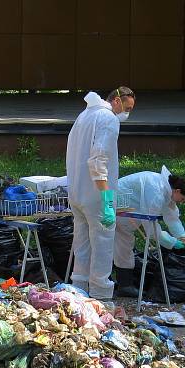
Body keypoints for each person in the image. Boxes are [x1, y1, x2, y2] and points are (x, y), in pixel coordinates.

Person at [66, 87, 135, 300]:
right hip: (97, 194)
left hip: (77, 192)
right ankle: (101, 297)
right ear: (116, 101)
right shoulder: (108, 119)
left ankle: (78, 292)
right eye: (128, 107)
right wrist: (106, 198)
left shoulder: (85, 114)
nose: (127, 113)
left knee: (82, 244)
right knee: (103, 245)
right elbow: (98, 159)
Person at [113, 166, 185, 297]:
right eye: (183, 199)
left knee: (123, 244)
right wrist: (170, 242)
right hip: (115, 207)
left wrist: (181, 236)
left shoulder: (166, 190)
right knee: (114, 244)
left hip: (124, 209)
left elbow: (172, 216)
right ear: (177, 191)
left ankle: (123, 285)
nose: (182, 202)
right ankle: (114, 284)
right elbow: (150, 224)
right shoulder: (156, 191)